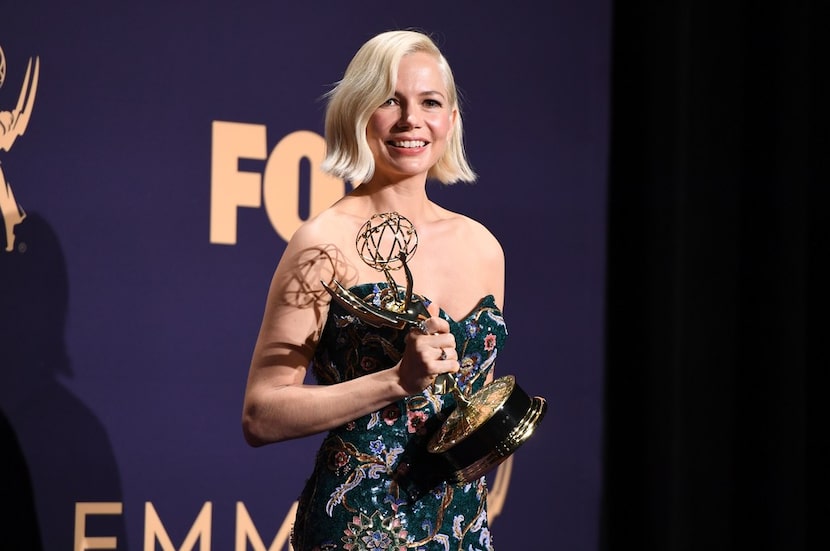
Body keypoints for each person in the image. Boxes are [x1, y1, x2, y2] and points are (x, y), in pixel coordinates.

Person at [242, 29, 506, 550]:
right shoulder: (322, 243)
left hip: (460, 528)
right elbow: (260, 414)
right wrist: (395, 381)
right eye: (390, 99)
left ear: (451, 120)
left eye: (430, 102)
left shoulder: (483, 247)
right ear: (358, 114)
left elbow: (469, 412)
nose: (412, 119)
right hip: (360, 525)